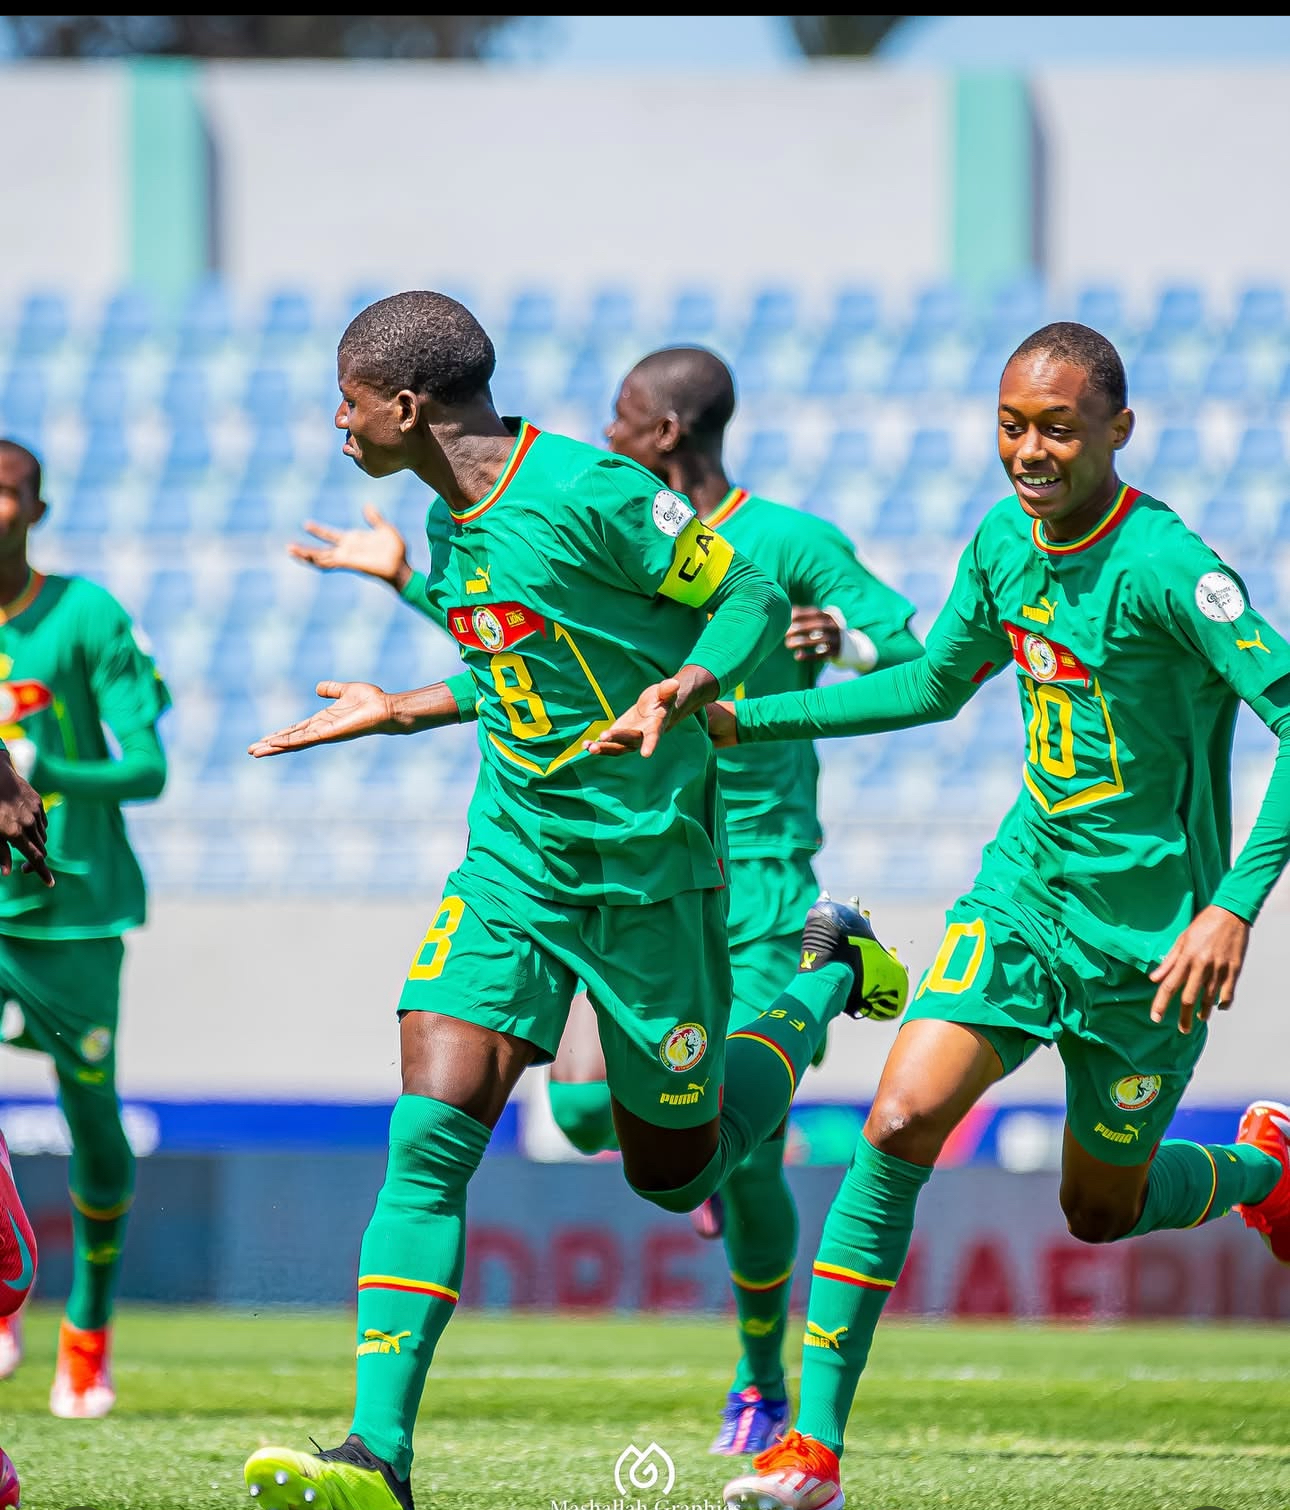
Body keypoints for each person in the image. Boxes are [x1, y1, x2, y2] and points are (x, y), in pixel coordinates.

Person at [240, 291, 910, 1510]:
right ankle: (374, 1452)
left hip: (652, 875)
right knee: (429, 1129)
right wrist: (402, 704)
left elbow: (751, 598)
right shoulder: (451, 521)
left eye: (347, 397)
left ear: (403, 405)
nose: (335, 421)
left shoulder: (593, 493)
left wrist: (684, 686)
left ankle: (826, 973)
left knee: (676, 1167)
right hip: (512, 867)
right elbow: (515, 665)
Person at [624, 321, 1290, 1510]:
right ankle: (811, 1451)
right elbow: (935, 682)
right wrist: (749, 717)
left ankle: (1263, 1169)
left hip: (1155, 949)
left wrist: (1233, 904)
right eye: (1012, 425)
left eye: (1059, 429)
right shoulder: (1000, 541)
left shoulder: (1172, 568)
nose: (1029, 451)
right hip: (1024, 898)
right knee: (897, 1118)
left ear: (1118, 433)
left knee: (1103, 1209)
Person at [0, 439, 169, 1421]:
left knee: (91, 1117)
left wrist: (43, 777)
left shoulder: (87, 616)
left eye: (10, 494)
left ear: (40, 508)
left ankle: (88, 1331)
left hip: (70, 911)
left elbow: (147, 768)